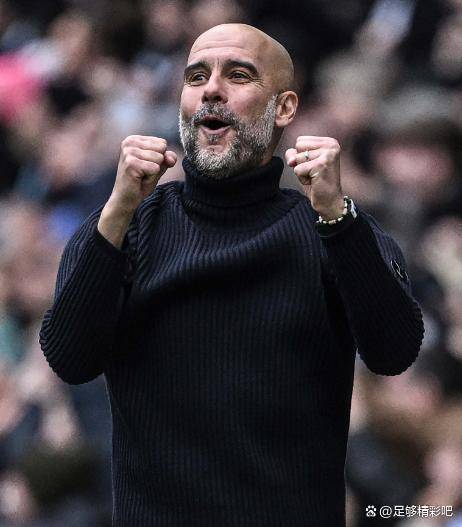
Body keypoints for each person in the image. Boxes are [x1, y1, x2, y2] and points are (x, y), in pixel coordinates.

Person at [39, 23, 424, 527]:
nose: (211, 90)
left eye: (238, 75)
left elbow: (395, 352)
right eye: (196, 76)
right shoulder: (126, 227)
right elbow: (69, 359)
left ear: (284, 108)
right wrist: (117, 212)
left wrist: (337, 216)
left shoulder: (332, 230)